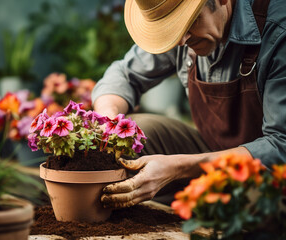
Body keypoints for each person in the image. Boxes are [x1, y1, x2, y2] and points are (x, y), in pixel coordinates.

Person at [91, 0, 286, 208]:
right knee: (135, 132)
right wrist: (109, 119)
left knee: (256, 203)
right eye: (173, 29)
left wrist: (177, 167)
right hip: (211, 149)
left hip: (270, 172)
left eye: (191, 21)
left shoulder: (278, 33)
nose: (181, 41)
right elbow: (123, 74)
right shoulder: (184, 35)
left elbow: (280, 146)